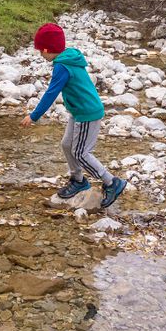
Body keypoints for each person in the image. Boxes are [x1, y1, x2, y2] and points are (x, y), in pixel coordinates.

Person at [20, 23, 127, 208]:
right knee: (67, 144)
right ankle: (78, 181)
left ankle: (112, 182)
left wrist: (34, 116)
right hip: (79, 111)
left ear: (48, 49)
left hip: (87, 113)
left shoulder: (62, 66)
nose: (40, 54)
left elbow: (51, 93)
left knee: (80, 152)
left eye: (40, 50)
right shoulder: (69, 58)